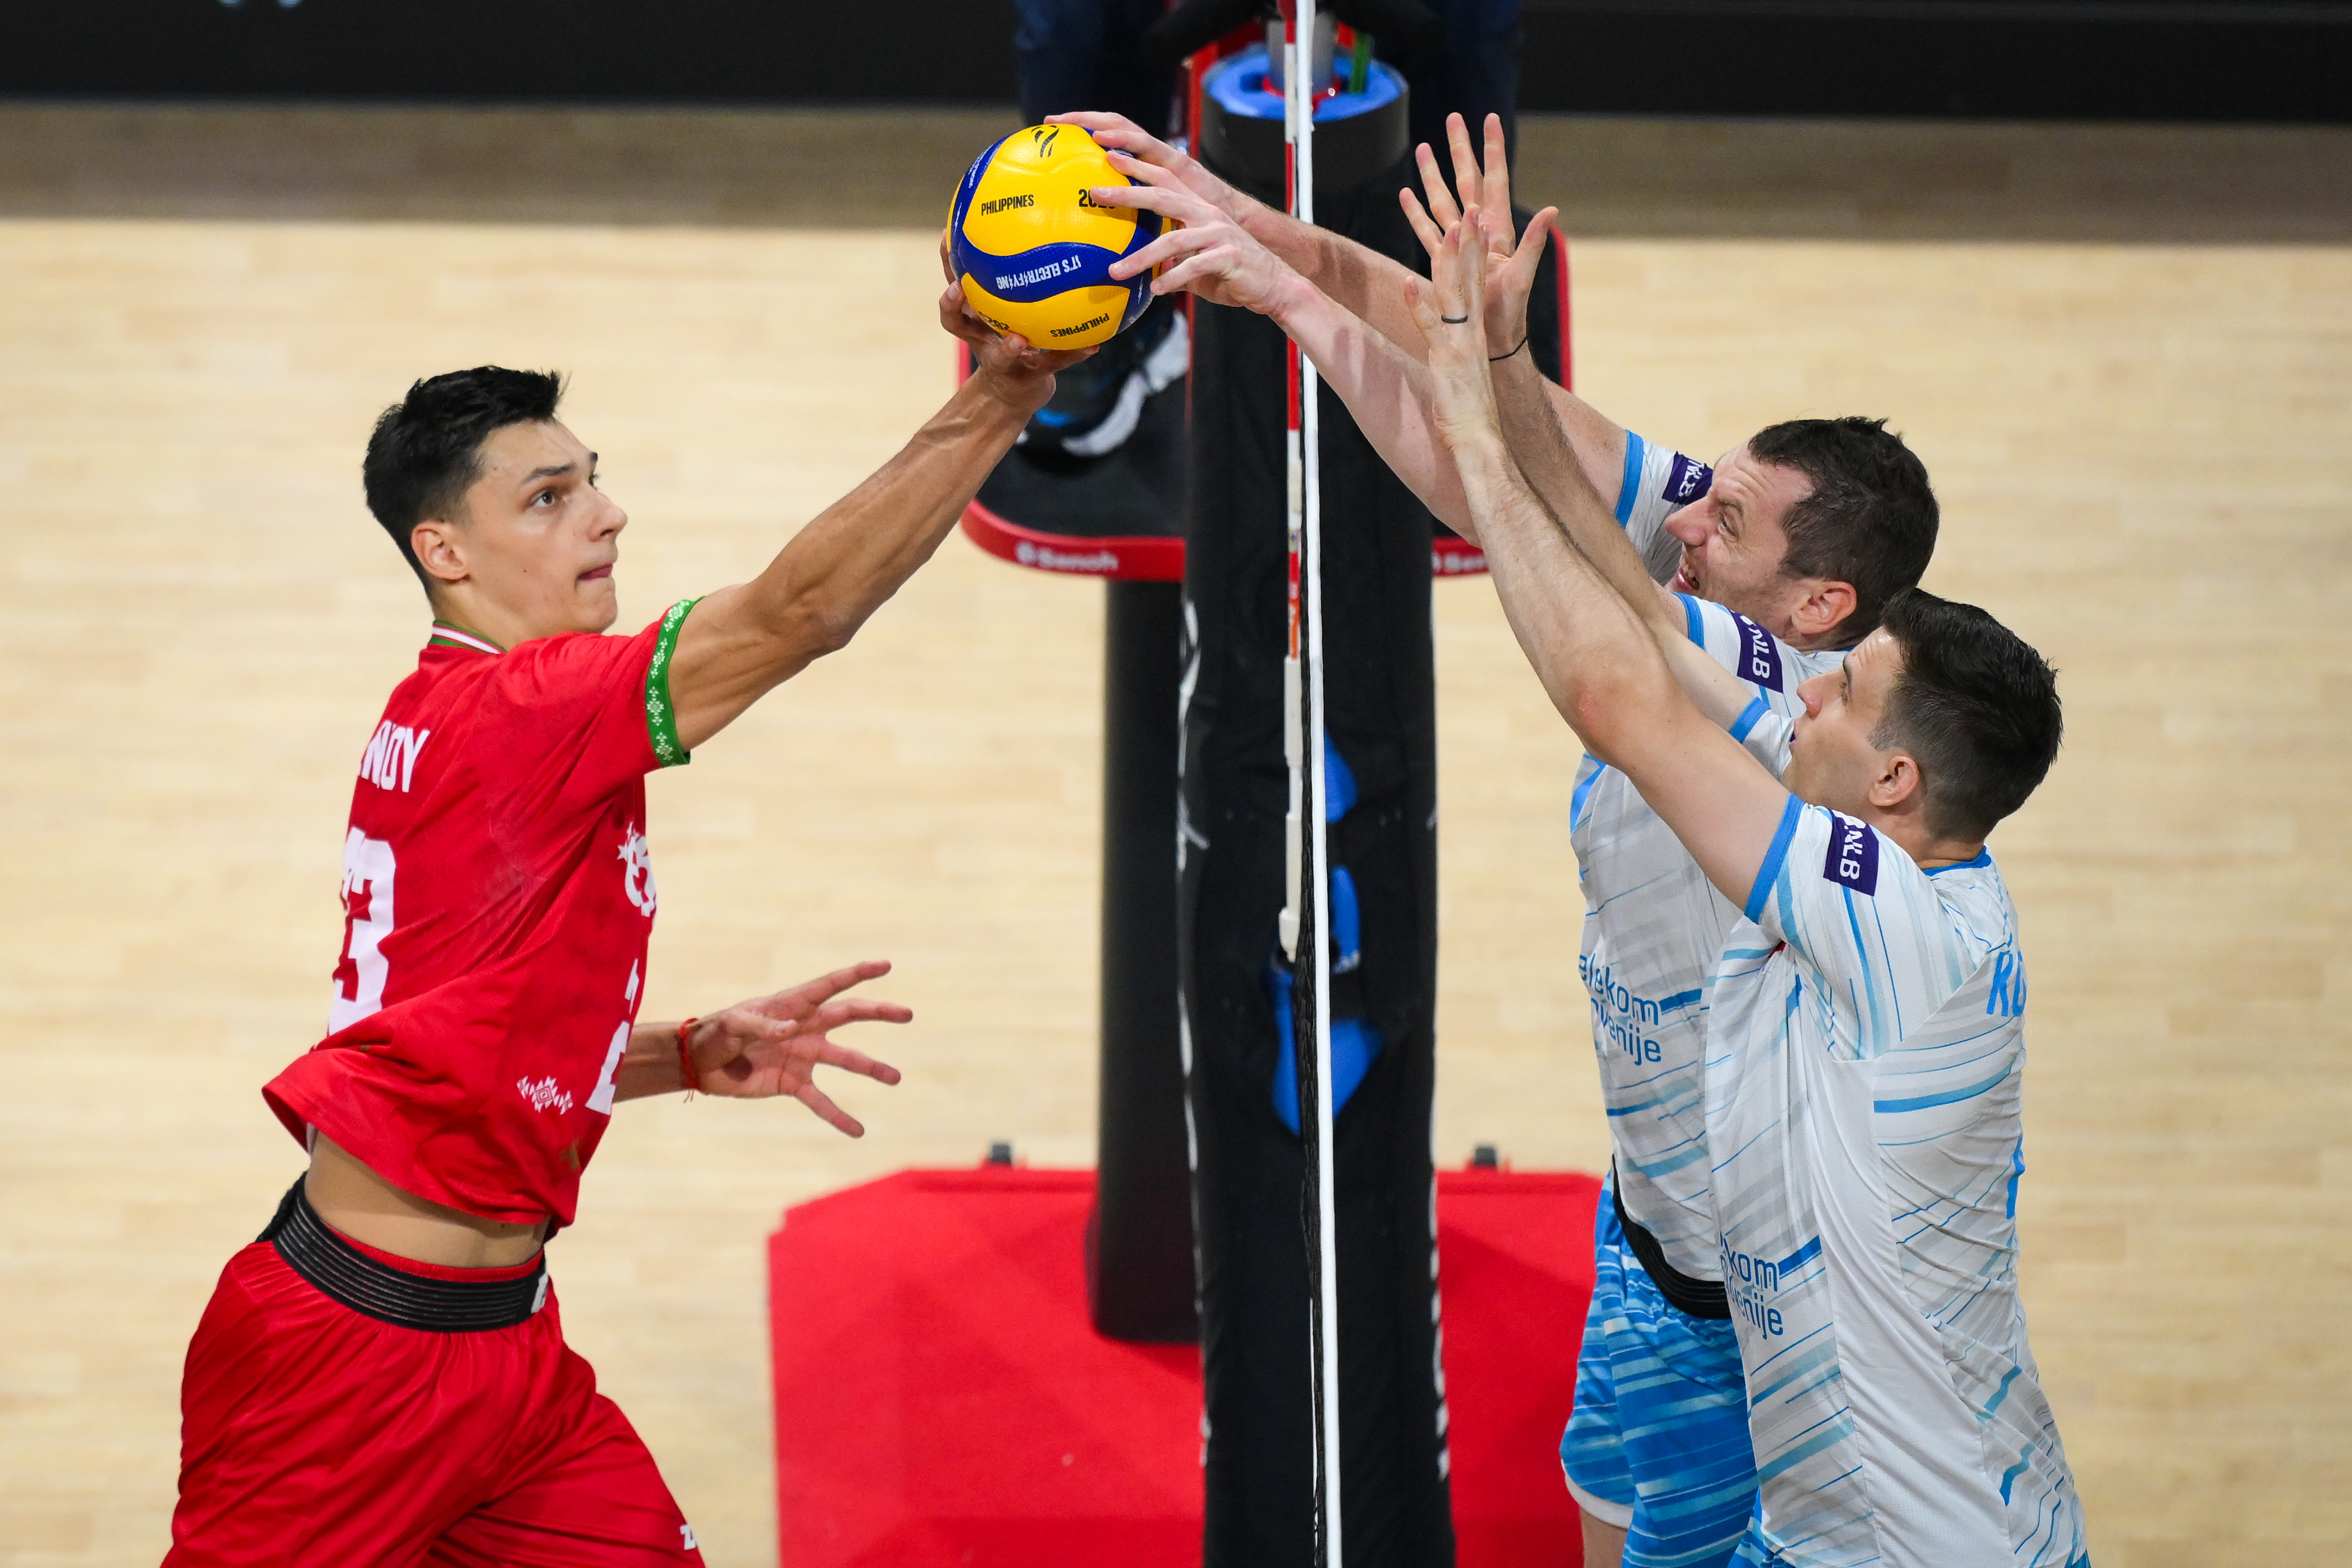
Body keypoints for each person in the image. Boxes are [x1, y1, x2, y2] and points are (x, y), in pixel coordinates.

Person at [1070, 109, 1936, 1566]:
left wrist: (1287, 302)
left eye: (1725, 515)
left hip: (1763, 1303)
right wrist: (1252, 223)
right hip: (1649, 1226)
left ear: (1820, 605)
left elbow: (1483, 470)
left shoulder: (1762, 701)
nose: (1688, 517)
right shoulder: (1714, 568)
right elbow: (1507, 400)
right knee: (1598, 1512)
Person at [164, 295, 1088, 1564]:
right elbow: (795, 615)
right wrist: (1003, 394)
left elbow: (446, 1015)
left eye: (592, 483)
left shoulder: (443, 708)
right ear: (445, 549)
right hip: (349, 1370)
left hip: (510, 1356)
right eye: (547, 499)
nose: (606, 515)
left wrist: (681, 1052)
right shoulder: (526, 707)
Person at [1410, 209, 2088, 1567]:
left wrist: (1475, 444)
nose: (1804, 693)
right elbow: (1653, 619)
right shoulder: (1888, 831)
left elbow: (1619, 700)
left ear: (1892, 780)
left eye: (1845, 689)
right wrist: (1499, 359)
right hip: (1848, 1511)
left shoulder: (1899, 929)